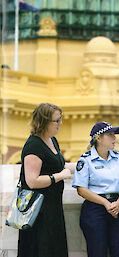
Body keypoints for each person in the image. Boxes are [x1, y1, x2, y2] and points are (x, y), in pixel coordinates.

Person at [18, 103, 74, 257]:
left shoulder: (52, 140)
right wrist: (60, 176)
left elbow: (56, 165)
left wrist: (80, 166)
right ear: (44, 122)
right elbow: (32, 181)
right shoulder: (33, 146)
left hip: (52, 209)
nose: (60, 123)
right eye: (57, 120)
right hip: (38, 213)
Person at [72, 121, 119, 257]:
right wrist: (105, 203)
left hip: (117, 208)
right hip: (95, 209)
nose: (114, 138)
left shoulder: (118, 158)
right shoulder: (86, 160)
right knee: (97, 252)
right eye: (110, 135)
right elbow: (81, 189)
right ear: (99, 138)